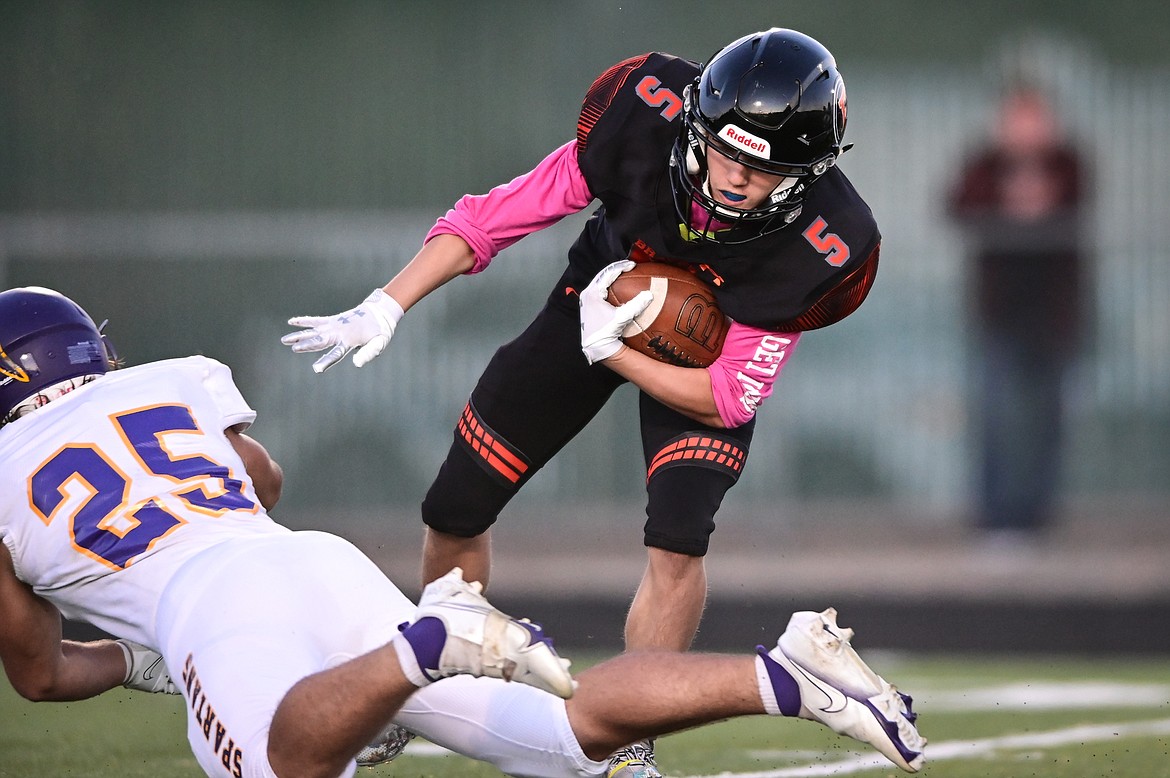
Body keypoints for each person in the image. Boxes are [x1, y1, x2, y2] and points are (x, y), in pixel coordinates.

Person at [0, 286, 924, 776]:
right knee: (567, 740)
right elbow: (264, 482)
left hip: (214, 606)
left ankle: (428, 646)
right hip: (312, 563)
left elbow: (37, 676)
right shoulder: (171, 379)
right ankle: (786, 674)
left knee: (290, 765)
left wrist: (137, 647)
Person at [282, 27, 882, 776]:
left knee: (678, 538)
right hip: (592, 294)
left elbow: (726, 397)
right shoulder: (642, 113)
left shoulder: (831, 245)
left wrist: (618, 352)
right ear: (696, 121)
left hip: (701, 352)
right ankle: (417, 686)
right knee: (455, 505)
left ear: (807, 173)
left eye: (762, 170)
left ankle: (630, 740)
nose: (732, 179)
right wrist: (388, 303)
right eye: (724, 152)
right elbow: (494, 216)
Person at [947, 82, 1090, 542]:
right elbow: (957, 205)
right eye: (1018, 120)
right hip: (999, 313)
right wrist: (1009, 205)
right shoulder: (985, 165)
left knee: (1048, 417)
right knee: (996, 415)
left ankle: (1037, 517)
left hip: (1054, 316)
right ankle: (997, 518)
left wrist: (1037, 206)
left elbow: (1076, 199)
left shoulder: (1068, 162)